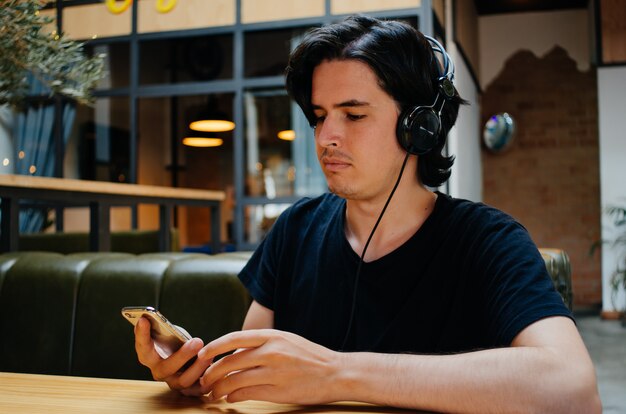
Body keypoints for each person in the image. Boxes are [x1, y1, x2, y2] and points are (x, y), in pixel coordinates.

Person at [134, 15, 601, 413]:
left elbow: (574, 390)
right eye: (319, 116)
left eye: (353, 115)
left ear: (419, 127)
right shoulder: (295, 228)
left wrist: (338, 373)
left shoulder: (487, 240)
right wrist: (199, 376)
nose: (324, 138)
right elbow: (254, 372)